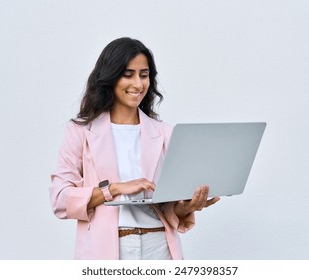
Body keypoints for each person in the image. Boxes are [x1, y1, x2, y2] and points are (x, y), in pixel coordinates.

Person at [50, 37, 220, 260]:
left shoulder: (164, 133)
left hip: (159, 246)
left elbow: (167, 209)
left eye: (144, 74)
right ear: (110, 77)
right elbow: (60, 200)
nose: (138, 84)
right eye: (128, 75)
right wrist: (115, 189)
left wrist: (187, 206)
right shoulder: (80, 131)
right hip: (108, 249)